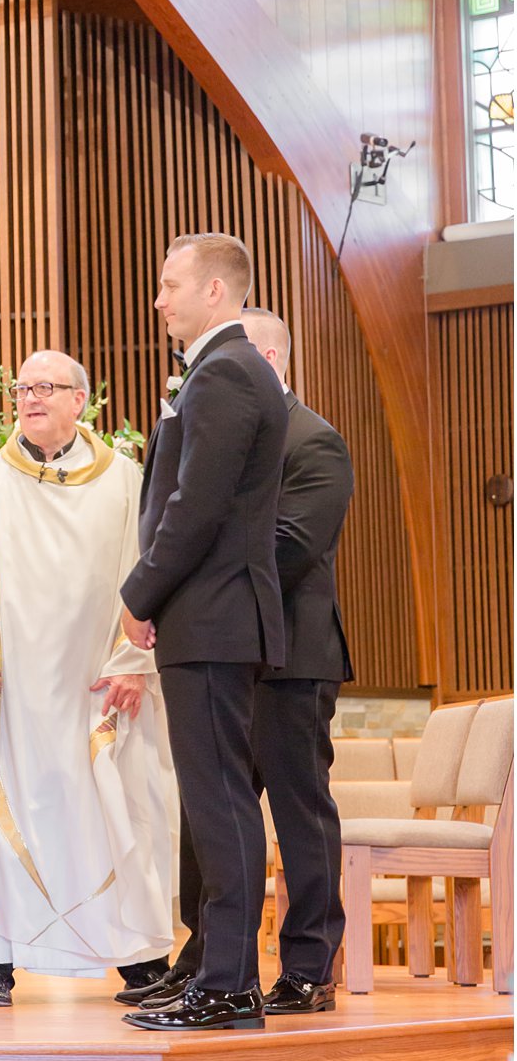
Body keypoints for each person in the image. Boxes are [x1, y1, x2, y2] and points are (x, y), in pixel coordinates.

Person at [0, 350, 176, 1005]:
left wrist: (134, 661)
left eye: (47, 387)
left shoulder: (127, 481)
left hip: (99, 683)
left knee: (118, 803)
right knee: (2, 806)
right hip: (10, 693)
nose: (30, 398)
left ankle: (138, 956)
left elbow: (153, 570)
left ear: (81, 400)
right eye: (23, 388)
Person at [119, 234, 287, 1035]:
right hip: (217, 615)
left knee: (218, 803)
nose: (160, 299)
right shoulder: (225, 370)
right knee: (217, 801)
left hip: (212, 614)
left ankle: (227, 983)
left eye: (170, 285)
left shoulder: (224, 373)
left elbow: (196, 504)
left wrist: (140, 592)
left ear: (216, 292)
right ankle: (226, 977)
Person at [242, 309, 353, 1013]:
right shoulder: (233, 438)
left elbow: (288, 547)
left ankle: (309, 963)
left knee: (299, 812)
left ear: (274, 355)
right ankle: (214, 960)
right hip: (229, 654)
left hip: (292, 654)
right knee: (214, 816)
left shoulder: (315, 439)